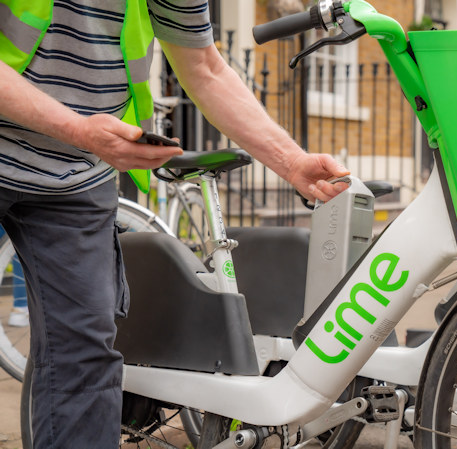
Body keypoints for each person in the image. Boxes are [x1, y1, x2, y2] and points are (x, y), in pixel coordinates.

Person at [0, 1, 349, 447]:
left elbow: (204, 66)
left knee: (84, 354)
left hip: (77, 175)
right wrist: (79, 129)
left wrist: (292, 161)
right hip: (64, 142)